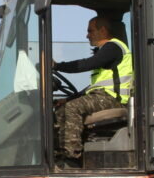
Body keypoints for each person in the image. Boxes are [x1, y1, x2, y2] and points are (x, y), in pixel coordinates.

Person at [53, 17, 134, 168]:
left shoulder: (113, 47)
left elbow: (86, 64)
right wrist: (68, 98)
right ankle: (59, 156)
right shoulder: (106, 52)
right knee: (61, 108)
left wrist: (57, 66)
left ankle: (72, 159)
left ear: (103, 30)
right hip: (102, 96)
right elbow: (94, 87)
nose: (87, 35)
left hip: (113, 99)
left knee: (73, 108)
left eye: (90, 31)